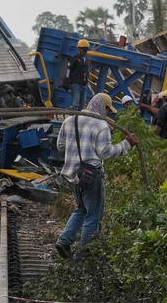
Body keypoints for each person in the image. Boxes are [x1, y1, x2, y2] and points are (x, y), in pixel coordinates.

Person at [54, 93, 139, 259]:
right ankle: (82, 257)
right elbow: (105, 152)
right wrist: (126, 144)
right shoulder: (101, 125)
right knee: (93, 215)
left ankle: (64, 241)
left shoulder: (71, 120)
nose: (107, 114)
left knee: (82, 209)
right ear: (103, 108)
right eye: (108, 110)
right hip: (91, 176)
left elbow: (60, 146)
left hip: (72, 175)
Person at [63, 39, 91, 111]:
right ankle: (74, 118)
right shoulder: (74, 58)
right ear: (79, 48)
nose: (85, 52)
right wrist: (66, 80)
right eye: (84, 50)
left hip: (83, 85)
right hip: (76, 84)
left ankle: (79, 120)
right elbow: (68, 69)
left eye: (86, 50)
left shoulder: (85, 60)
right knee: (76, 104)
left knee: (82, 105)